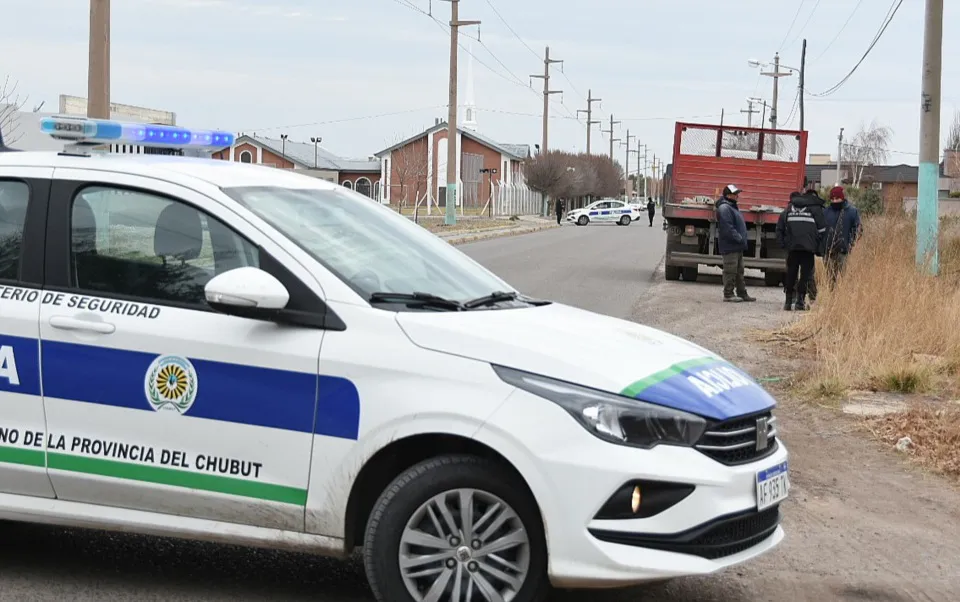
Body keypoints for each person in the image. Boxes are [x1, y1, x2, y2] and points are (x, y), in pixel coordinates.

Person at [776, 189, 826, 311]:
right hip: (808, 249)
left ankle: (788, 302)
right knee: (805, 276)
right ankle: (800, 302)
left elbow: (779, 228)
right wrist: (818, 248)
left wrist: (783, 244)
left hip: (792, 248)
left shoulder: (788, 210)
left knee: (791, 274)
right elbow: (823, 230)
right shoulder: (814, 209)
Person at [715, 184, 756, 303]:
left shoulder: (732, 207)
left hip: (737, 245)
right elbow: (728, 228)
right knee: (730, 270)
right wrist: (739, 238)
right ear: (728, 195)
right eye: (735, 194)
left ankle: (742, 293)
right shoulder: (724, 208)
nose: (737, 196)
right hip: (730, 245)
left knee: (739, 271)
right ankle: (728, 294)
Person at [823, 186, 861, 285]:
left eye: (837, 198)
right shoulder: (826, 212)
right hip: (828, 252)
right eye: (832, 199)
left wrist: (850, 243)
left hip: (843, 252)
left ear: (842, 198)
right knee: (830, 280)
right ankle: (832, 298)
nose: (835, 201)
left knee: (845, 279)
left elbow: (858, 229)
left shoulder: (852, 212)